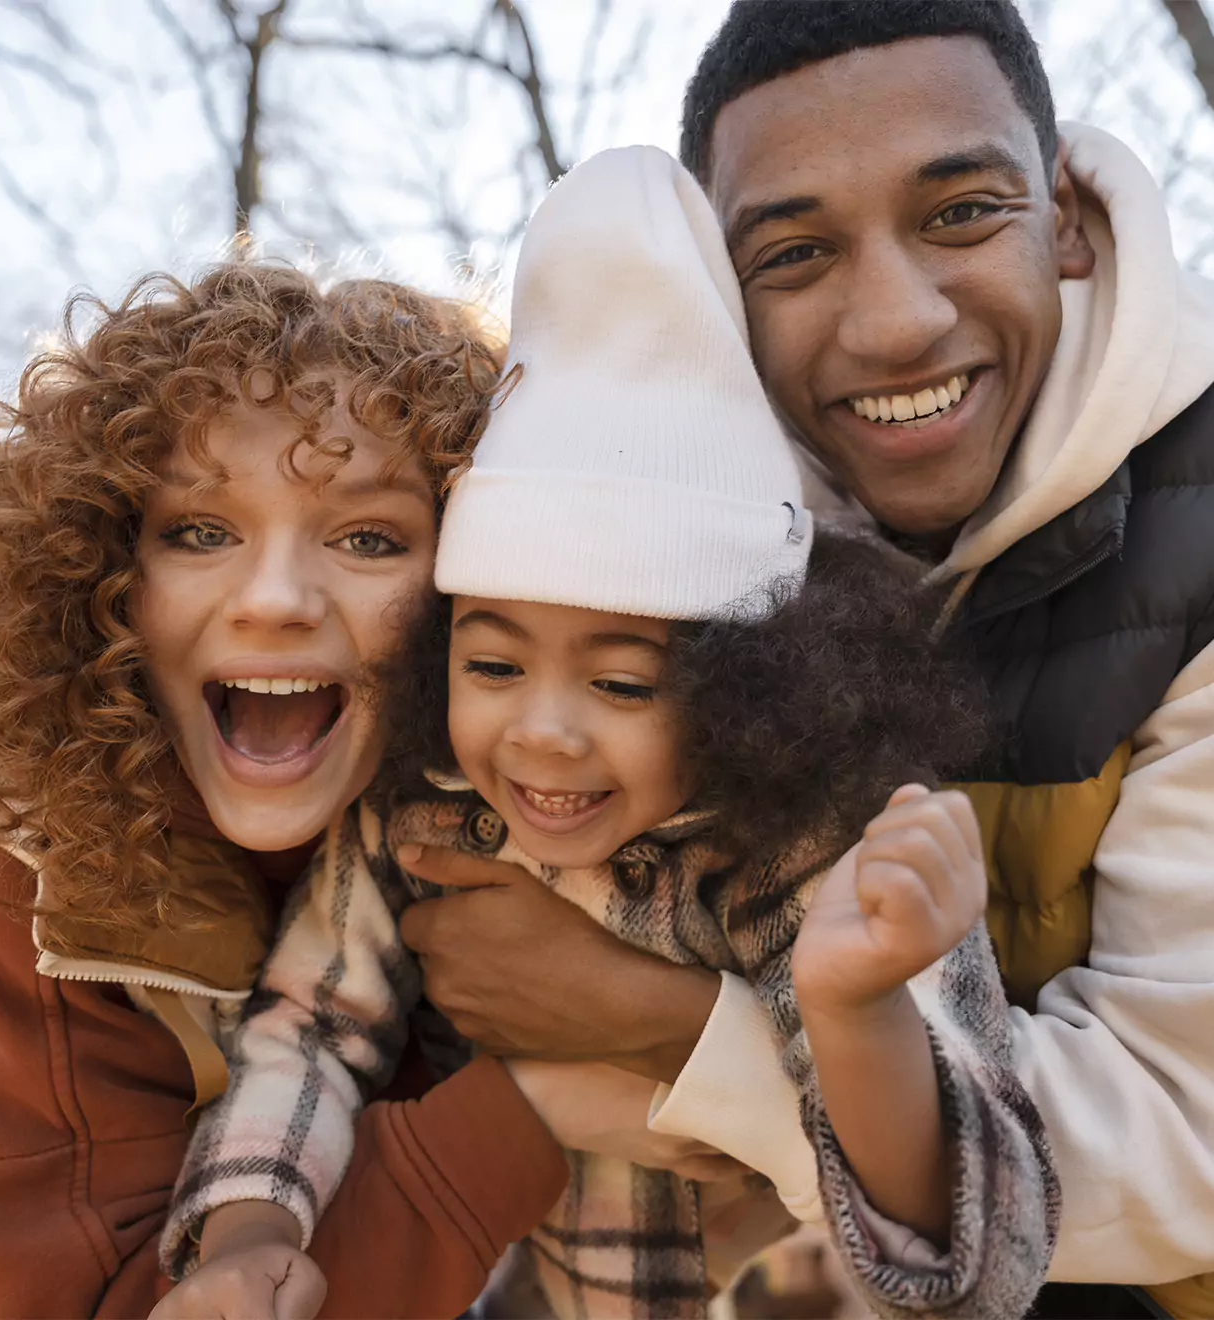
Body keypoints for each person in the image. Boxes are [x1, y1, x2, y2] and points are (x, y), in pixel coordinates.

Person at [388, 4, 1214, 1317]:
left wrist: (656, 1022)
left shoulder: (1195, 545)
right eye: (795, 252)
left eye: (960, 212)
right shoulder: (678, 561)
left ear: (1061, 212)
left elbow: (1186, 1142)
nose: (892, 322)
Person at [154, 147, 1054, 1320]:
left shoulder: (821, 849)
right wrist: (250, 1233)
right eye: (490, 666)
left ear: (756, 692)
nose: (543, 736)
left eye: (625, 686)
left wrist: (854, 1009)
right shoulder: (422, 817)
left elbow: (980, 1263)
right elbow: (309, 1031)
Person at [0, 264, 657, 1319]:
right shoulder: (21, 884)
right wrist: (537, 1105)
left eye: (367, 539)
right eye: (200, 533)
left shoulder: (545, 825)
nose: (275, 601)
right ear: (99, 578)